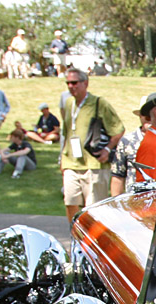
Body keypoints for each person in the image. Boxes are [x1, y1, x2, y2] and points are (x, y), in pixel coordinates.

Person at [60, 68, 124, 222]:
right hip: (71, 163)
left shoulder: (99, 103)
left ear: (85, 83)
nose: (71, 86)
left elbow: (118, 130)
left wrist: (107, 149)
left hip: (94, 164)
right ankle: (75, 236)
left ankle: (93, 242)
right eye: (68, 83)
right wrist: (62, 159)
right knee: (70, 203)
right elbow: (67, 132)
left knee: (94, 209)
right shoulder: (68, 104)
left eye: (74, 82)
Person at [112, 98, 150, 195]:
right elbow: (117, 176)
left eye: (151, 115)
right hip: (134, 201)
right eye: (145, 116)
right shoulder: (127, 141)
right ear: (140, 116)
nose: (148, 119)